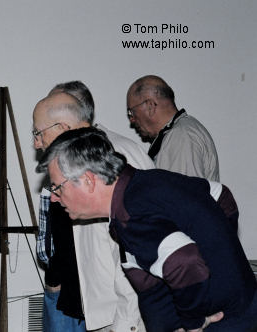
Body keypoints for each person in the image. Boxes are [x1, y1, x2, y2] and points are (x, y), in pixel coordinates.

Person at [36, 126, 257, 332]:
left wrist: (193, 323)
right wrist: (220, 256)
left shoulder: (131, 215)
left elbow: (184, 260)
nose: (54, 198)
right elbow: (221, 195)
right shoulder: (149, 182)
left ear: (88, 181)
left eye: (57, 187)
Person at [33, 81, 153, 331]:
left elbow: (135, 256)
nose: (36, 143)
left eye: (39, 133)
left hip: (116, 316)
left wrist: (126, 324)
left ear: (63, 128)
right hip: (88, 307)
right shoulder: (70, 158)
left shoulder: (115, 155)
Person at [126, 75, 219, 181]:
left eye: (131, 112)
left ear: (150, 106)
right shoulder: (182, 131)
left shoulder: (181, 136)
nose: (132, 120)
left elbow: (181, 194)